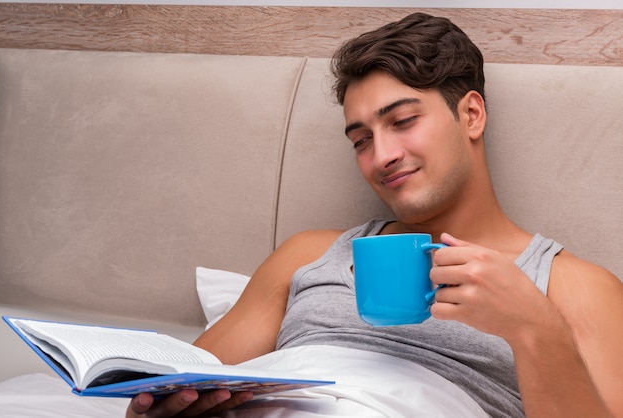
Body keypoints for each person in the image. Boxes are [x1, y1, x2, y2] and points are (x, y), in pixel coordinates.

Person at [127, 12, 623, 418]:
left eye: (403, 121)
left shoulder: (572, 286)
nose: (380, 156)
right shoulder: (310, 253)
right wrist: (156, 406)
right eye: (361, 140)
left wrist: (533, 327)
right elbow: (185, 379)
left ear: (471, 115)